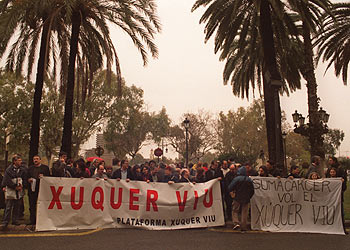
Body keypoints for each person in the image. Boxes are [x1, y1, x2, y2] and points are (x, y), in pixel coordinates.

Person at [1, 155, 27, 230]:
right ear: (14, 161)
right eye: (19, 160)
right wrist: (14, 186)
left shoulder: (22, 169)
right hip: (11, 190)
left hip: (19, 191)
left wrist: (22, 186)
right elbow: (6, 180)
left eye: (20, 160)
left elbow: (24, 178)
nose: (20, 162)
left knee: (17, 206)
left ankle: (15, 220)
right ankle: (5, 222)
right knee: (8, 207)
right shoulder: (9, 170)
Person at [228, 166, 255, 231]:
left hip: (237, 197)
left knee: (235, 210)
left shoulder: (236, 179)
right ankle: (243, 226)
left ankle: (236, 223)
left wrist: (233, 193)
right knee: (244, 212)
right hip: (246, 197)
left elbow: (230, 187)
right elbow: (252, 190)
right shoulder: (249, 180)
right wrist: (249, 196)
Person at [27, 155, 50, 225]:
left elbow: (49, 178)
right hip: (32, 189)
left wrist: (43, 177)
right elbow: (26, 177)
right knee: (32, 205)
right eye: (34, 159)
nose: (35, 160)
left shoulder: (45, 168)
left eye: (37, 159)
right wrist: (29, 180)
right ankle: (32, 220)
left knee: (42, 204)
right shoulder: (30, 168)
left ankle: (42, 219)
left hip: (42, 189)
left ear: (40, 160)